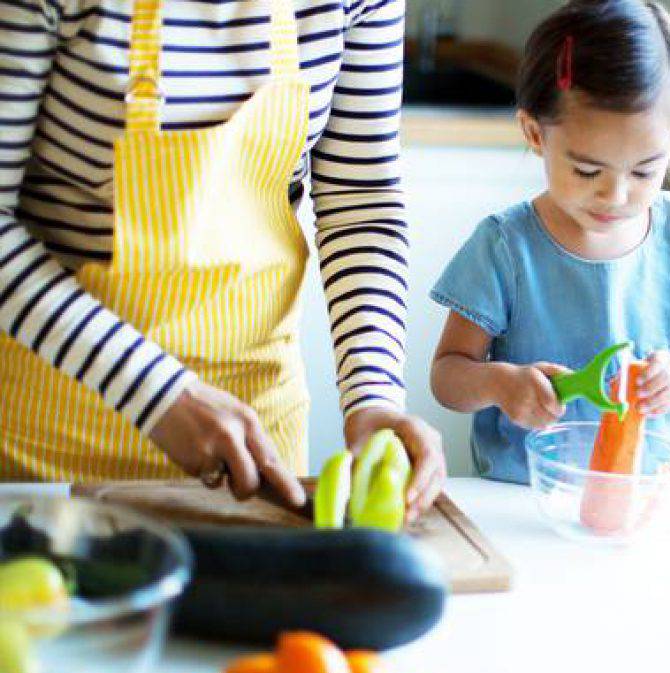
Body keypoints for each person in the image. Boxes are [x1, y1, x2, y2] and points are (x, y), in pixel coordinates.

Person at [0, 0, 444, 518]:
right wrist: (157, 393)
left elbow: (361, 204)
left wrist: (375, 393)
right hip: (52, 439)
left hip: (257, 449)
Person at [429, 0, 670, 483]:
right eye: (587, 170)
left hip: (665, 482)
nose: (615, 195)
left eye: (644, 170)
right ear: (535, 133)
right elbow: (448, 376)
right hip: (535, 490)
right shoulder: (504, 247)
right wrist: (500, 382)